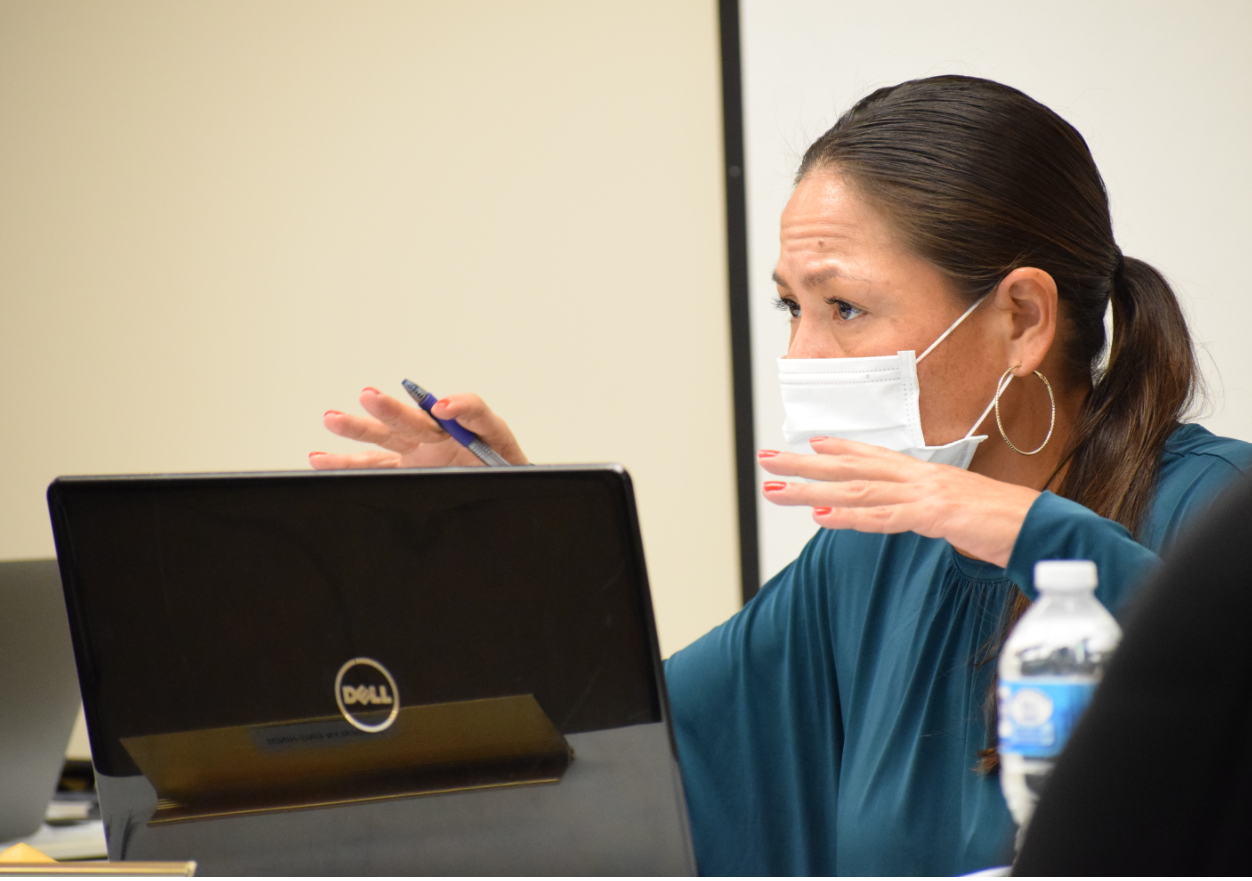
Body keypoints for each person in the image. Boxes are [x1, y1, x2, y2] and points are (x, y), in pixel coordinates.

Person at [311, 76, 1252, 875]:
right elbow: (631, 765)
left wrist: (1031, 531)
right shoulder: (869, 553)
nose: (802, 354)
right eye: (790, 306)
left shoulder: (1219, 515)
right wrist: (513, 536)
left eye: (844, 306)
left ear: (1021, 319)